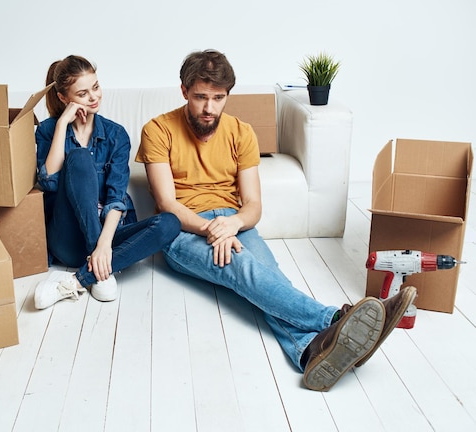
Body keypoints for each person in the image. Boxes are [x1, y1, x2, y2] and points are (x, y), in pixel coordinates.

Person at [136, 49, 417, 391]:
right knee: (244, 269)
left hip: (233, 221)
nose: (209, 108)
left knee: (268, 278)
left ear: (228, 96)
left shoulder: (241, 132)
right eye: (200, 97)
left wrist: (232, 224)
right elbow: (167, 203)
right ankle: (337, 318)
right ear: (184, 91)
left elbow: (253, 205)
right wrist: (213, 229)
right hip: (181, 231)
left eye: (218, 98)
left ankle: (311, 352)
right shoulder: (157, 130)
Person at [34, 55, 180, 308]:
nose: (93, 97)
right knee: (79, 158)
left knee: (170, 223)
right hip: (67, 239)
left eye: (96, 87)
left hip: (109, 239)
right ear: (63, 98)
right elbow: (48, 184)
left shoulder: (116, 135)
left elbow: (116, 197)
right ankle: (101, 268)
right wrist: (61, 126)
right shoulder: (48, 130)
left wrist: (103, 246)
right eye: (82, 93)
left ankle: (80, 279)